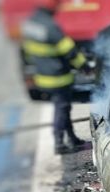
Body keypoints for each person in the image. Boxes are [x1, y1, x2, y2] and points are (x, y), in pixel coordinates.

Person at [21, 0, 89, 154]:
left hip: (42, 75)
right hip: (57, 77)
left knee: (64, 107)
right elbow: (69, 50)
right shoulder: (50, 26)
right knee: (62, 109)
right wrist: (84, 66)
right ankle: (59, 143)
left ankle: (72, 139)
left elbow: (27, 51)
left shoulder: (30, 24)